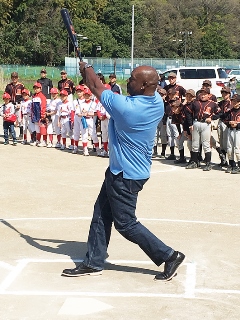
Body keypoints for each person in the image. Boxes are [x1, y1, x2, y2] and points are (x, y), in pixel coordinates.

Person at [61, 63, 185, 281]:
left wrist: (86, 68)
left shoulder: (127, 107)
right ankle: (94, 261)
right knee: (101, 214)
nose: (128, 81)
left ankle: (169, 255)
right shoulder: (155, 101)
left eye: (133, 79)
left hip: (126, 175)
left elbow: (94, 85)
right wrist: (88, 74)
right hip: (123, 170)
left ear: (145, 84)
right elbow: (97, 84)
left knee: (126, 224)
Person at [185, 87, 219, 171]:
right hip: (196, 123)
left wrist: (212, 118)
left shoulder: (212, 104)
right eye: (201, 94)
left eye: (205, 94)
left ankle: (208, 163)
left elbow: (220, 113)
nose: (203, 95)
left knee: (206, 144)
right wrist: (190, 124)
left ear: (208, 95)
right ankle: (194, 162)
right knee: (195, 144)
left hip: (206, 124)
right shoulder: (195, 103)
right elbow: (188, 112)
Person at [220, 94, 240, 174]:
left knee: (237, 149)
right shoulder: (230, 111)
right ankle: (232, 165)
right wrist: (229, 123)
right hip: (230, 130)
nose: (234, 102)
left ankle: (239, 166)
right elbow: (224, 119)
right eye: (233, 101)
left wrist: (238, 124)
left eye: (236, 101)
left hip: (238, 131)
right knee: (229, 148)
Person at [4, 71, 25, 139]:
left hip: (18, 104)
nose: (14, 78)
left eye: (15, 77)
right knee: (10, 119)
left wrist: (21, 102)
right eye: (13, 77)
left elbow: (24, 95)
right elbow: (5, 95)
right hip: (11, 104)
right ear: (11, 78)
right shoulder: (8, 86)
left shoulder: (21, 86)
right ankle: (10, 133)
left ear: (18, 77)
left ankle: (21, 134)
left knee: (19, 119)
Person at [30, 82, 47, 147]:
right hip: (35, 115)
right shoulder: (34, 96)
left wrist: (42, 114)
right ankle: (38, 140)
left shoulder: (42, 96)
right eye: (35, 88)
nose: (36, 89)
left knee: (42, 128)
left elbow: (43, 106)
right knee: (37, 129)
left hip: (40, 114)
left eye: (37, 88)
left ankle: (44, 141)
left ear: (40, 88)